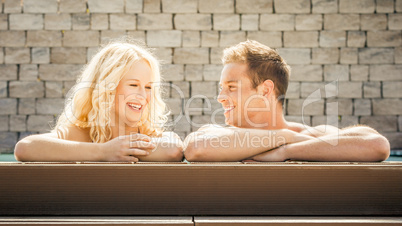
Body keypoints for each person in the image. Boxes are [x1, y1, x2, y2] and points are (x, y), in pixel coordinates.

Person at [184, 40, 390, 162]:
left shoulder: (305, 135)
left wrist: (287, 149)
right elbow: (195, 148)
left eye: (231, 87)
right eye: (222, 87)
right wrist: (282, 136)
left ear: (265, 90)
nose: (220, 97)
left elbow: (377, 145)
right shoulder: (221, 134)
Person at [14, 40, 183, 162]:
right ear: (106, 88)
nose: (142, 95)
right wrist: (103, 151)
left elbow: (173, 149)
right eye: (133, 85)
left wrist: (121, 150)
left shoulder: (149, 134)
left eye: (148, 87)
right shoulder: (79, 133)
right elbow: (25, 147)